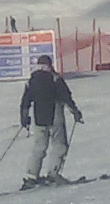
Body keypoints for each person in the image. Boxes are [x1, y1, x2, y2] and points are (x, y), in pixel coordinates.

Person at [19, 57, 84, 186]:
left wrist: (24, 118)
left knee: (39, 146)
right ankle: (53, 174)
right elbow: (66, 97)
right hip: (55, 116)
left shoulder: (32, 81)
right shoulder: (55, 79)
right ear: (49, 65)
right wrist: (75, 112)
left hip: (39, 118)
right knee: (59, 145)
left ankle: (31, 176)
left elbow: (25, 102)